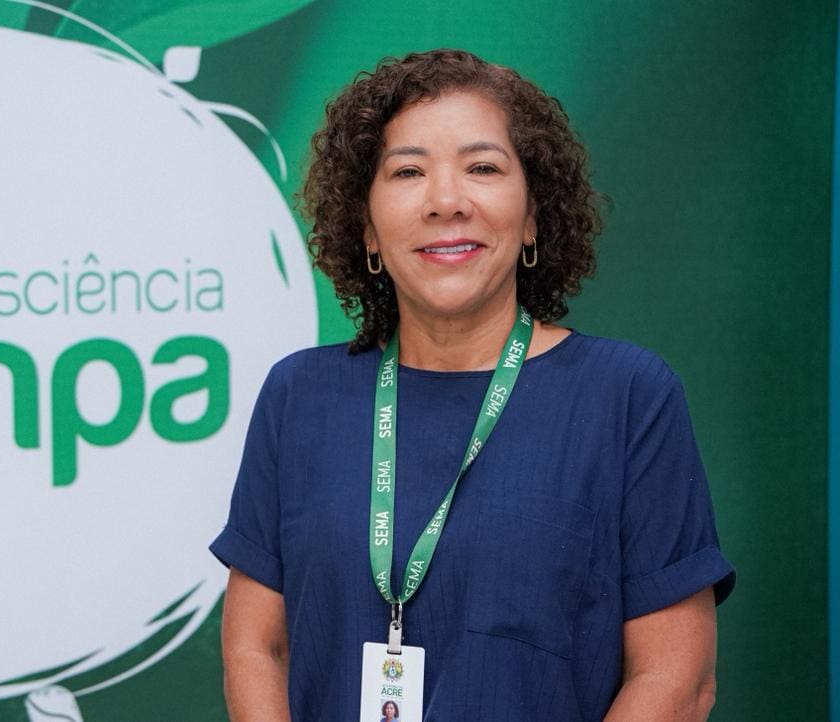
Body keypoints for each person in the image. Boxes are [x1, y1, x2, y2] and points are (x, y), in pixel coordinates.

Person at [210, 49, 735, 721]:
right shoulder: (298, 396)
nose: (446, 202)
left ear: (534, 215)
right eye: (408, 172)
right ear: (366, 227)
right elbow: (258, 648)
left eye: (482, 168)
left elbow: (676, 678)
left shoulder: (628, 397)